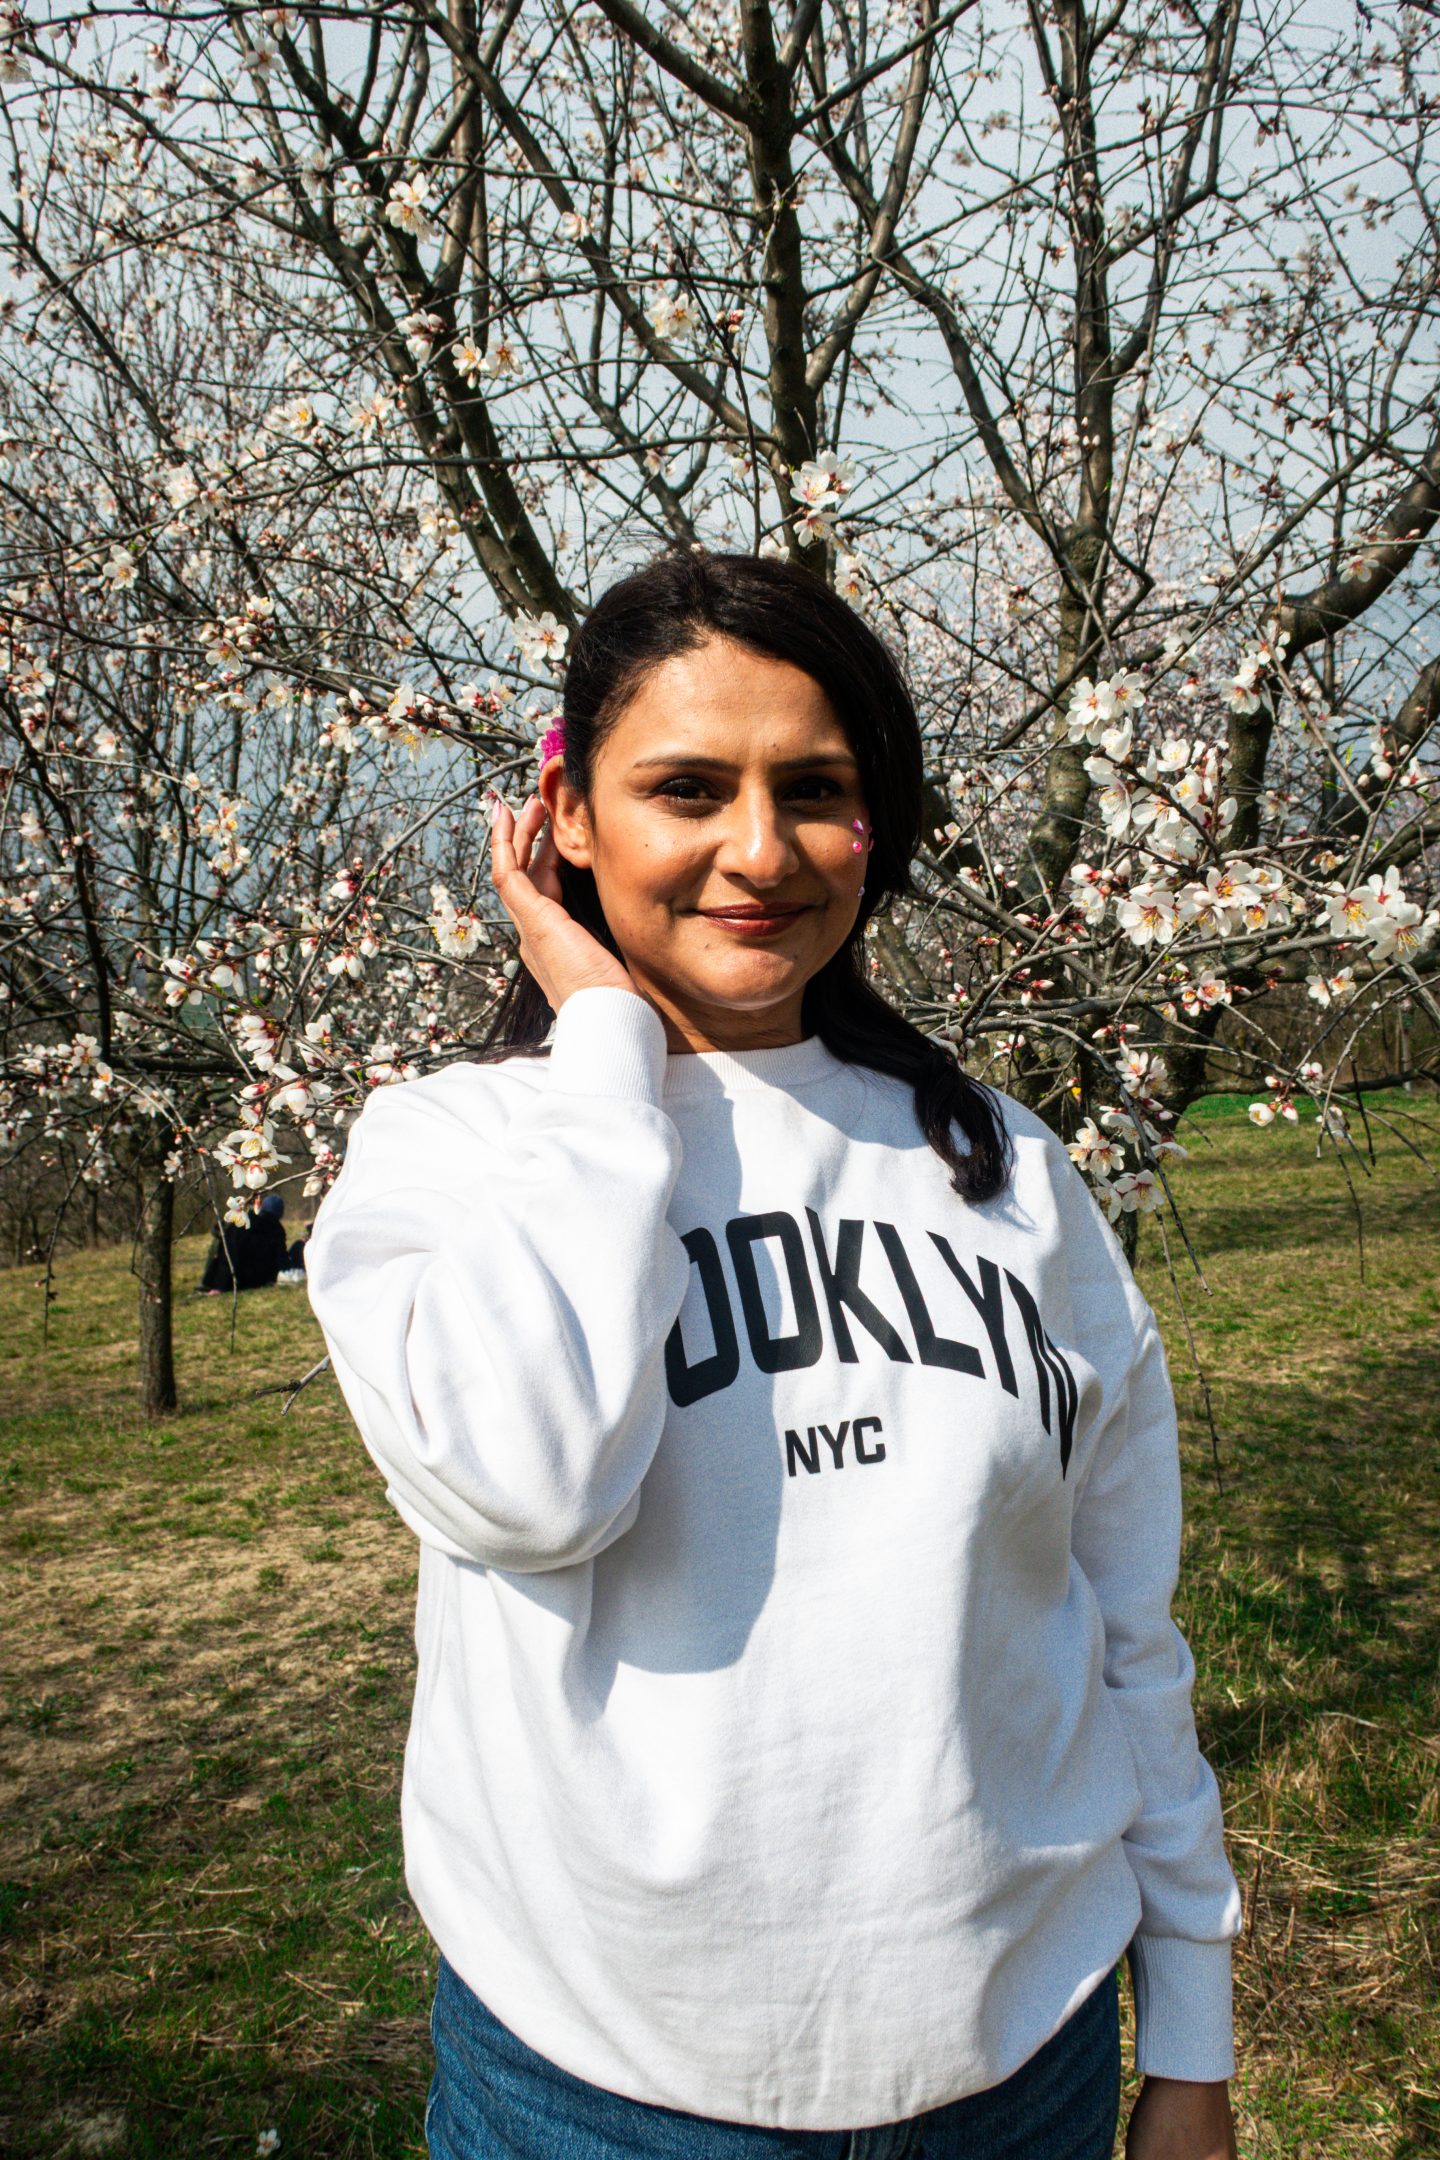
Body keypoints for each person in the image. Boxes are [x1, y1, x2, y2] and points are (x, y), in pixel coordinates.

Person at [305, 550, 1242, 2160]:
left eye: (815, 789)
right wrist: (602, 1045)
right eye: (685, 787)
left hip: (1026, 2051)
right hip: (605, 2085)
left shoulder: (1003, 1167)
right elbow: (528, 1494)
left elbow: (1121, 1623)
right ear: (565, 820)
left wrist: (1197, 2041)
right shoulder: (451, 1156)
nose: (761, 850)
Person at [200, 1190, 289, 1294]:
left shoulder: (243, 1225)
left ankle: (207, 1283)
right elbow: (281, 1260)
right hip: (260, 1280)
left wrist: (220, 1286)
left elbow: (230, 1255)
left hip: (237, 1281)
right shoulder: (278, 1231)